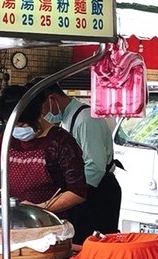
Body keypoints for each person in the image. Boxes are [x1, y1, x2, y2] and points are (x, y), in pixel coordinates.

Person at [0, 84, 89, 220]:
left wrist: (41, 208)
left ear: (38, 115)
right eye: (11, 125)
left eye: (22, 125)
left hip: (51, 222)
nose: (16, 130)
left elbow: (77, 192)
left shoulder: (61, 142)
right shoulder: (6, 139)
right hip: (11, 220)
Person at [39, 80, 122, 242]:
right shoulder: (66, 118)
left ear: (52, 99)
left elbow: (94, 167)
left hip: (98, 193)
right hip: (82, 191)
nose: (42, 115)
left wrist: (71, 195)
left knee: (94, 246)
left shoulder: (85, 119)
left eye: (42, 109)